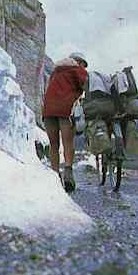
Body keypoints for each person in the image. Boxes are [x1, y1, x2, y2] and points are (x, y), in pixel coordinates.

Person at [42, 52, 88, 192]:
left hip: (48, 109)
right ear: (78, 62)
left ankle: (55, 176)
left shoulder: (56, 71)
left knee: (54, 144)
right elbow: (87, 85)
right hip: (65, 109)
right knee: (68, 142)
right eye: (83, 65)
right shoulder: (77, 70)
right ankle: (68, 174)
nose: (84, 67)